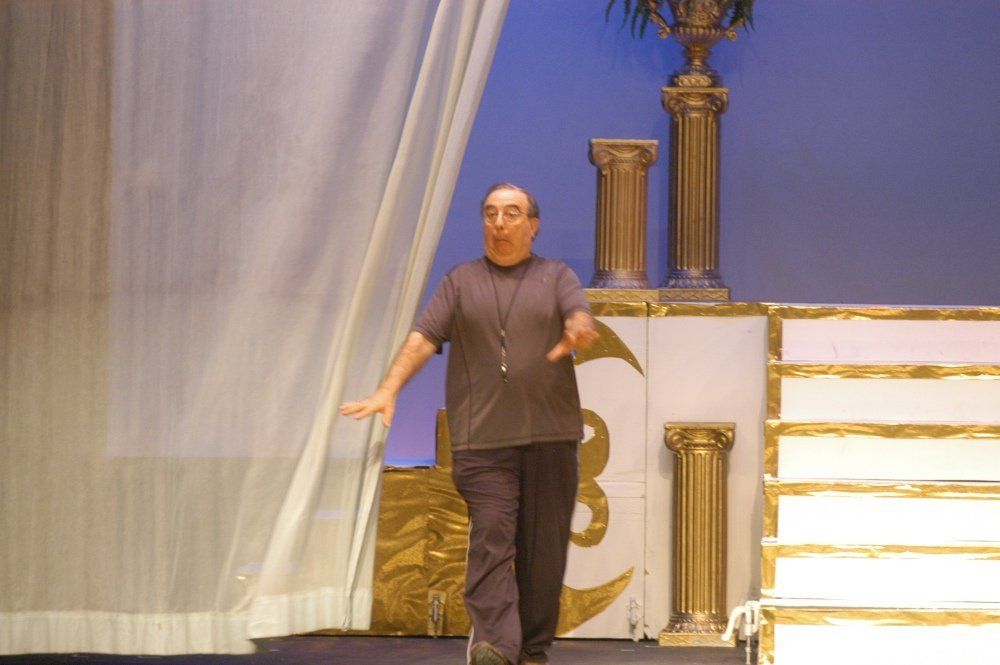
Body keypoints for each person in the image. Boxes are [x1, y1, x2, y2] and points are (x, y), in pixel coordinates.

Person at [340, 183, 599, 665]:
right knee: (491, 537)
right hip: (483, 443)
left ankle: (532, 649)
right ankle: (496, 646)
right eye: (491, 213)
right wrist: (388, 388)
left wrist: (579, 327)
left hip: (551, 438)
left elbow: (577, 312)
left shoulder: (555, 275)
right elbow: (423, 338)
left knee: (543, 555)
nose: (499, 223)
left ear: (533, 225)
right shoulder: (461, 281)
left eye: (512, 213)